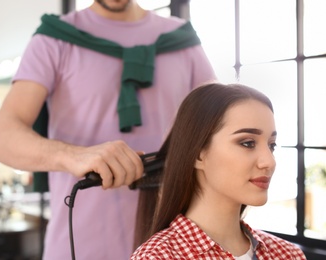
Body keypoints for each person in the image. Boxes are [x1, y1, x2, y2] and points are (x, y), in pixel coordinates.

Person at [0, 0, 216, 259]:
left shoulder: (183, 40)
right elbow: (2, 139)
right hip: (79, 246)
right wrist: (74, 155)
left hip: (172, 245)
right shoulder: (53, 39)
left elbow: (219, 126)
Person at [131, 83, 307, 259]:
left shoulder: (288, 254)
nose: (269, 161)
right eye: (248, 143)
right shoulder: (157, 256)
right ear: (198, 154)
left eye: (271, 145)